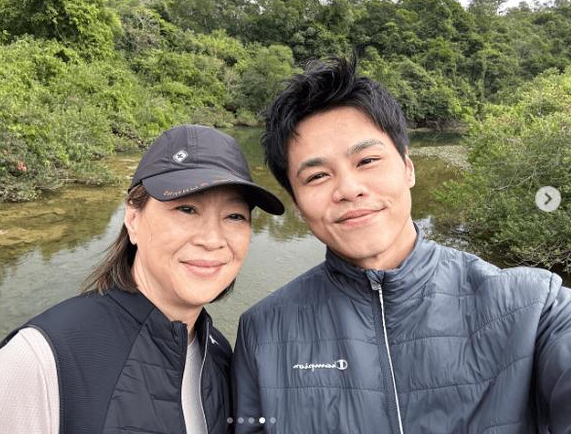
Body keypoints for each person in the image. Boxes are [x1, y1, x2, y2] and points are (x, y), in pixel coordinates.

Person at [233, 57, 571, 433]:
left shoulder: (534, 307)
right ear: (296, 202)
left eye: (367, 160)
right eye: (317, 175)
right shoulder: (262, 332)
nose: (348, 189)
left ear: (408, 167)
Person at [0, 124, 284, 434]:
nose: (213, 239)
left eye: (234, 216)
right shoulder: (40, 362)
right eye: (186, 209)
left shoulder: (219, 353)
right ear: (133, 219)